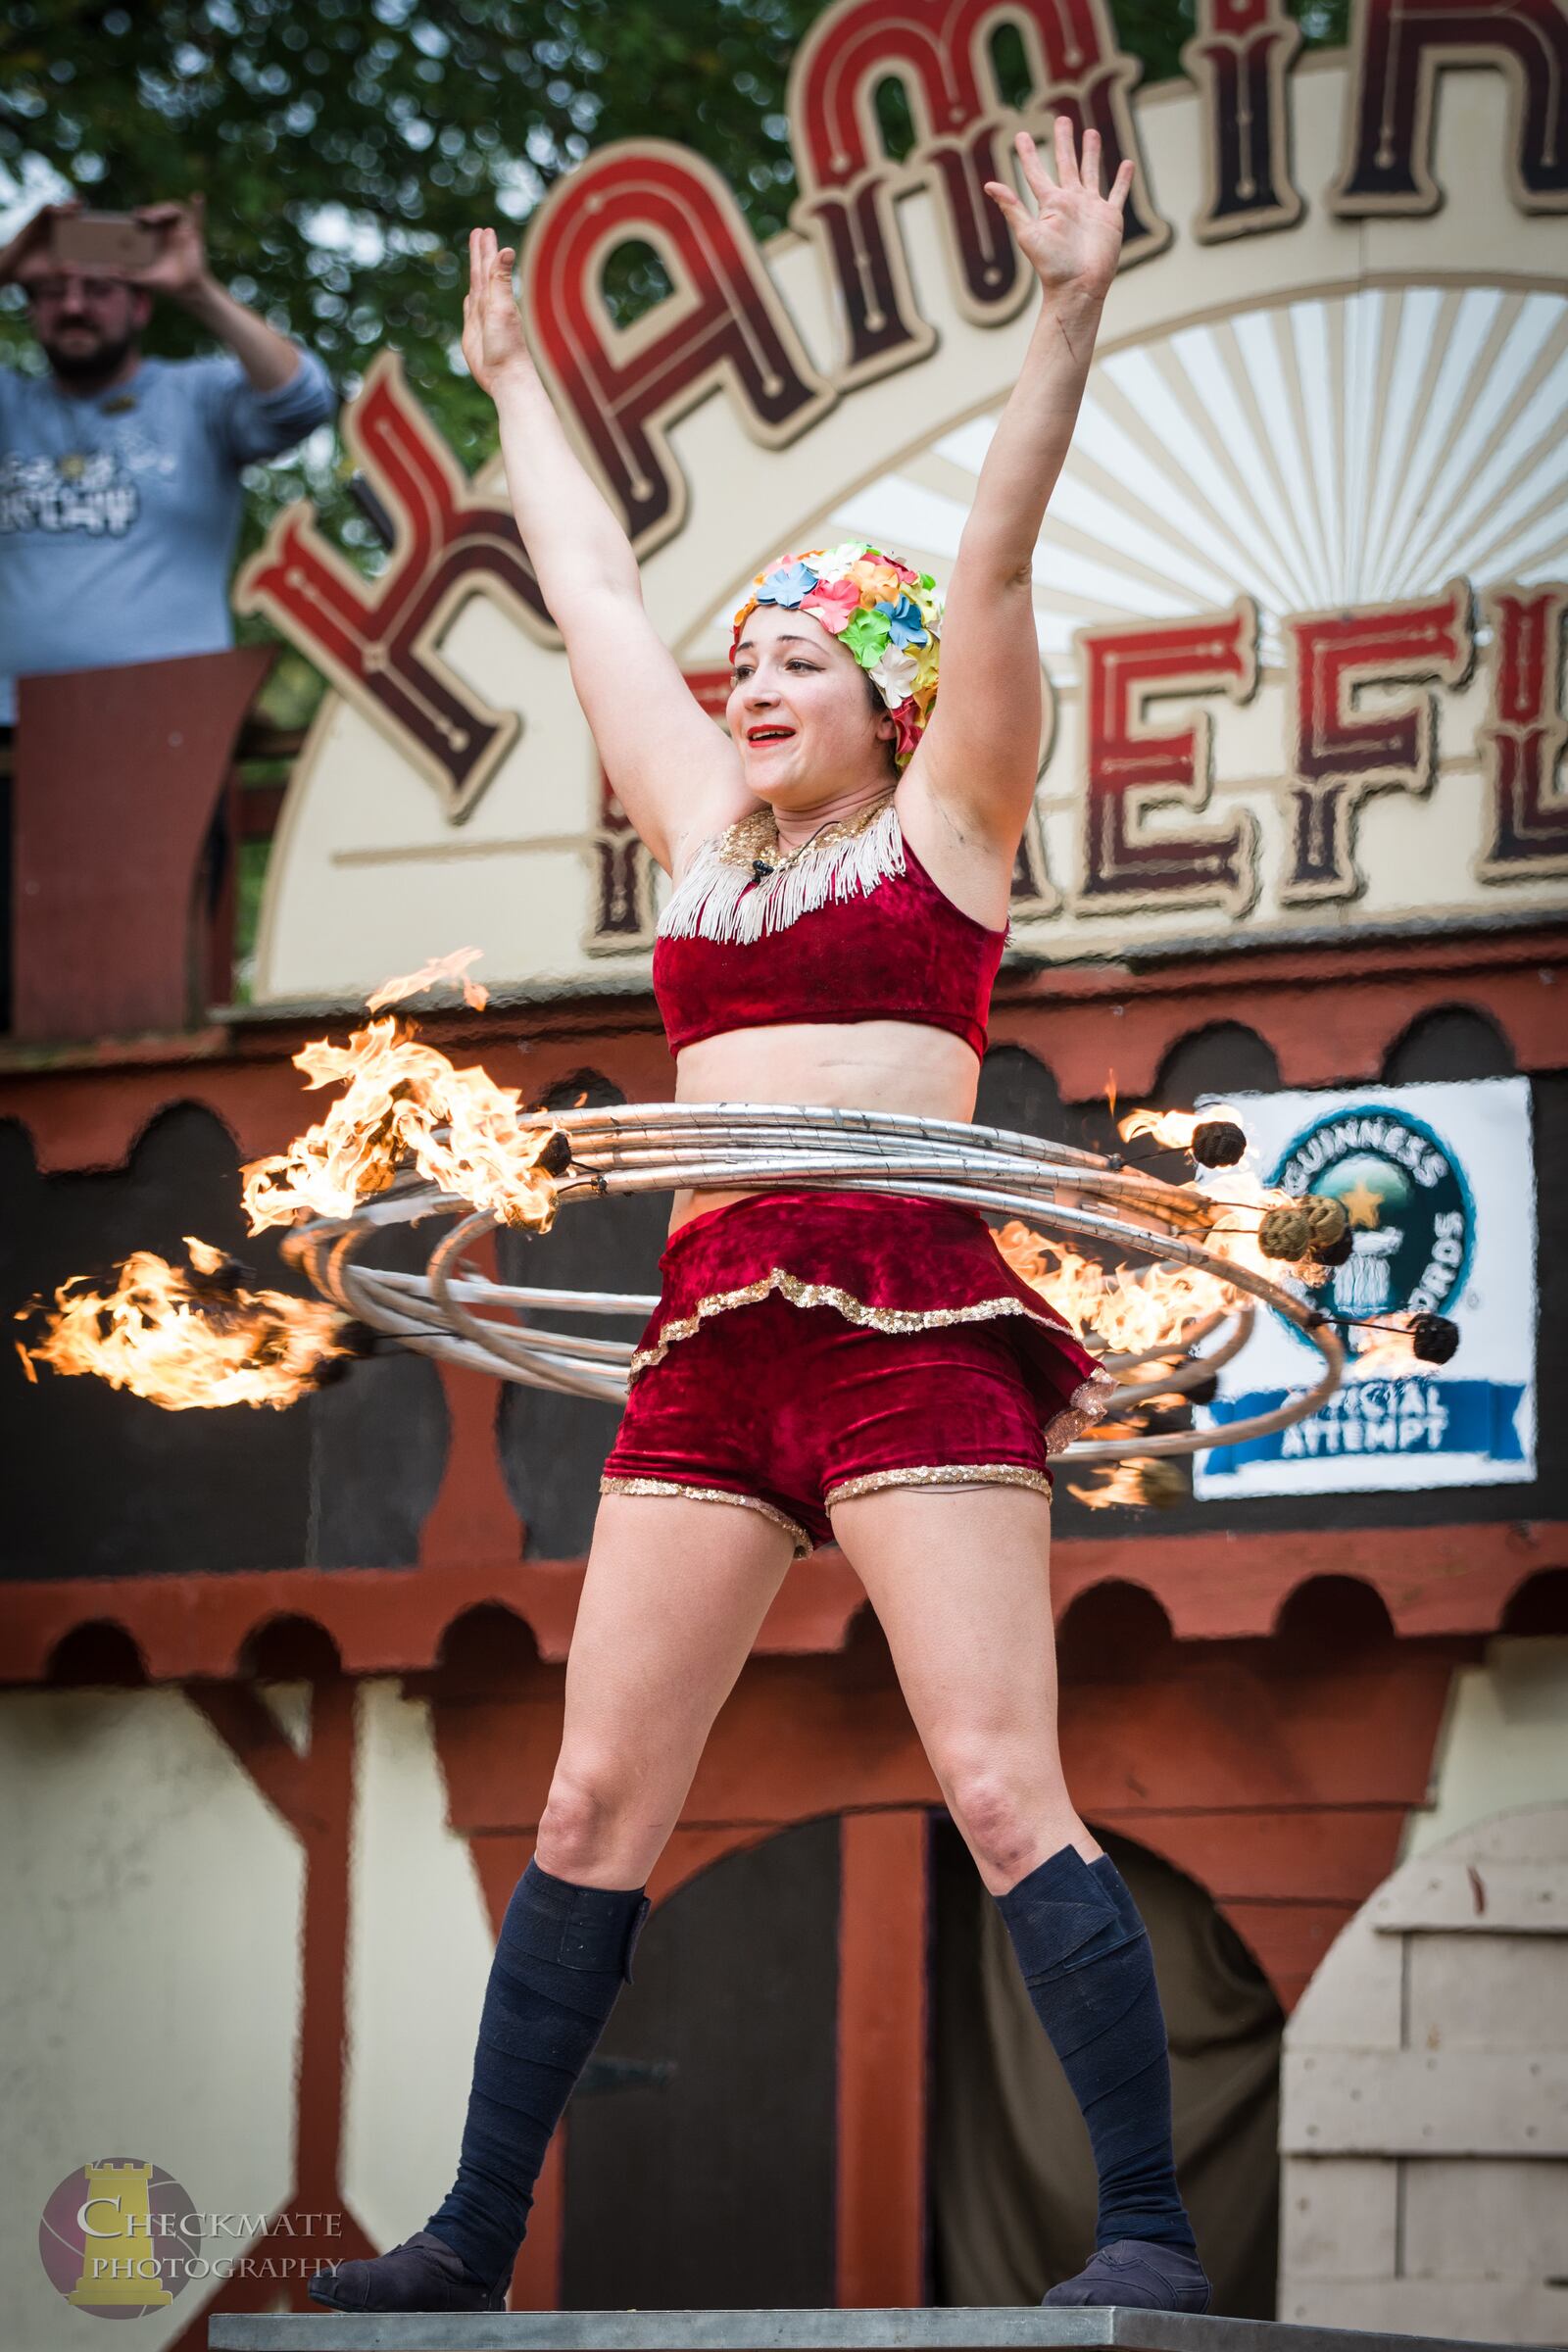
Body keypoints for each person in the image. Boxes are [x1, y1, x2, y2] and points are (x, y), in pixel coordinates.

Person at [310, 122, 1210, 2320]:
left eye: (795, 659)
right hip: (713, 1335)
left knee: (997, 1778)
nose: (747, 685)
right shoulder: (702, 839)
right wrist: (517, 379)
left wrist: (1068, 305)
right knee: (596, 1796)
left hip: (907, 1318)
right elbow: (595, 599)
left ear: (887, 697)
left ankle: (1148, 2234)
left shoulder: (952, 815)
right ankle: (461, 2236)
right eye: (747, 665)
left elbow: (989, 571)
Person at [0, 196, 334, 723]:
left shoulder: (197, 395)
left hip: (172, 729)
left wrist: (197, 289)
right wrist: (6, 264)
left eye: (98, 289)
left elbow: (304, 399)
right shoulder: (9, 407)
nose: (73, 307)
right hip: (13, 733)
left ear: (140, 305)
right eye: (51, 291)